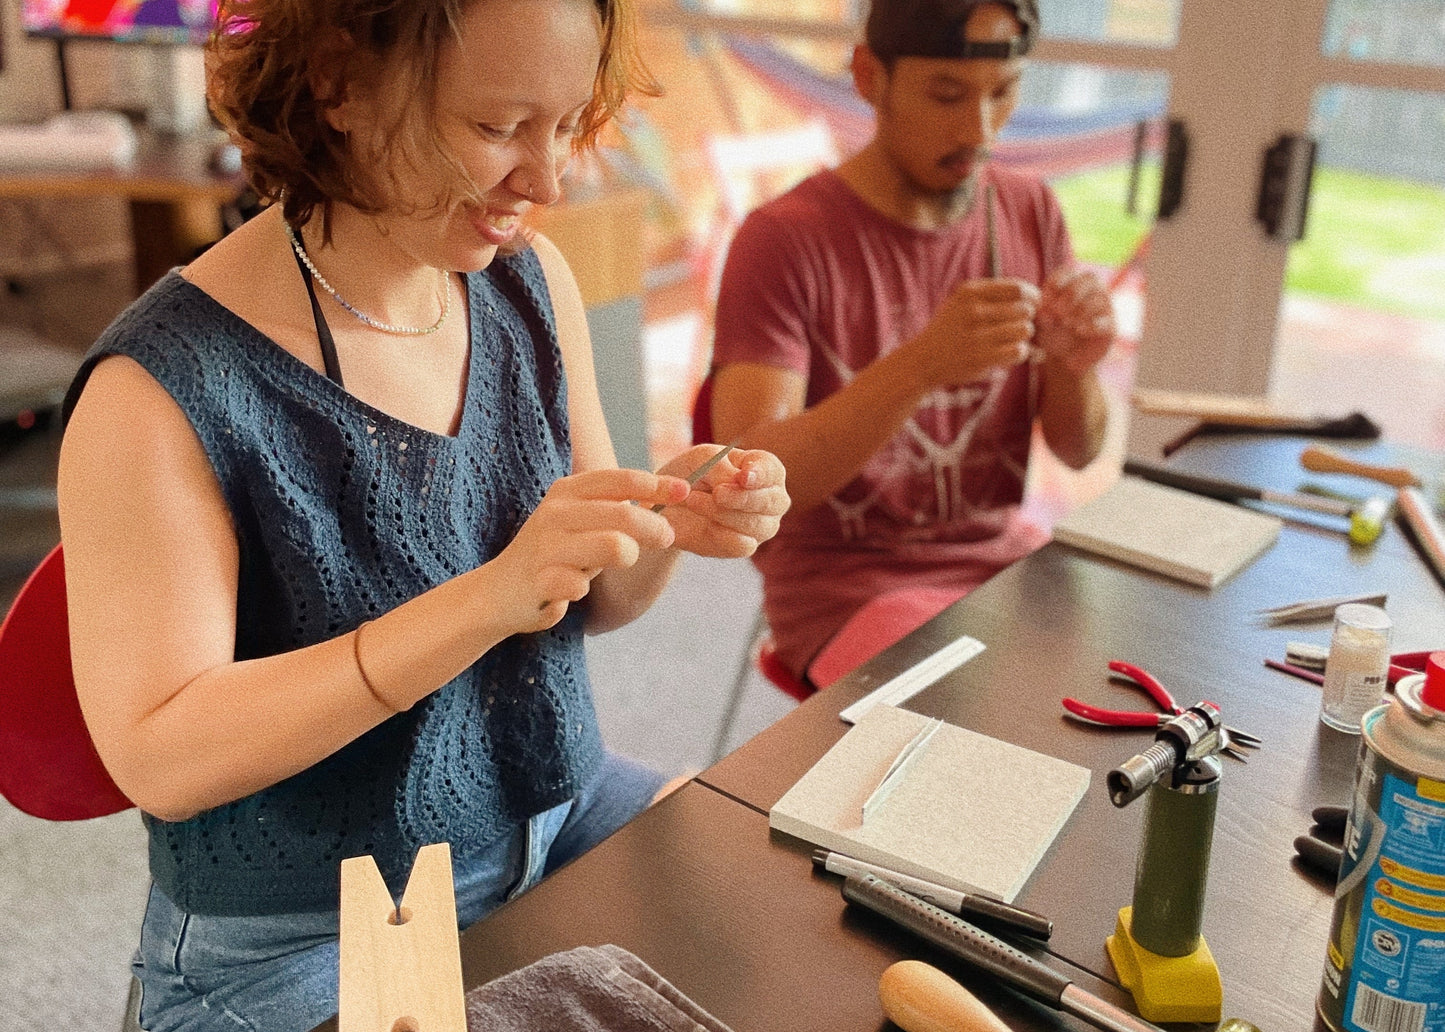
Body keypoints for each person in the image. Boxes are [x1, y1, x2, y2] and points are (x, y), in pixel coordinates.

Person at [55, 0, 789, 1028]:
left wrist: (663, 513)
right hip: (306, 928)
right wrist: (487, 598)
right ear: (337, 82)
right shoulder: (163, 388)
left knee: (800, 935)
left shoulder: (527, 281)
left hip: (553, 817)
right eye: (496, 129)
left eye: (563, 125)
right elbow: (162, 758)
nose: (547, 180)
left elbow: (600, 600)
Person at [709, 0, 1114, 686]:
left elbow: (1079, 449)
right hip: (844, 589)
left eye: (1003, 92)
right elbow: (744, 479)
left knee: (1150, 669)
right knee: (986, 715)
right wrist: (922, 366)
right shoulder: (782, 239)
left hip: (1001, 563)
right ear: (869, 76)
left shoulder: (1029, 211)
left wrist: (1075, 368)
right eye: (946, 94)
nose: (978, 129)